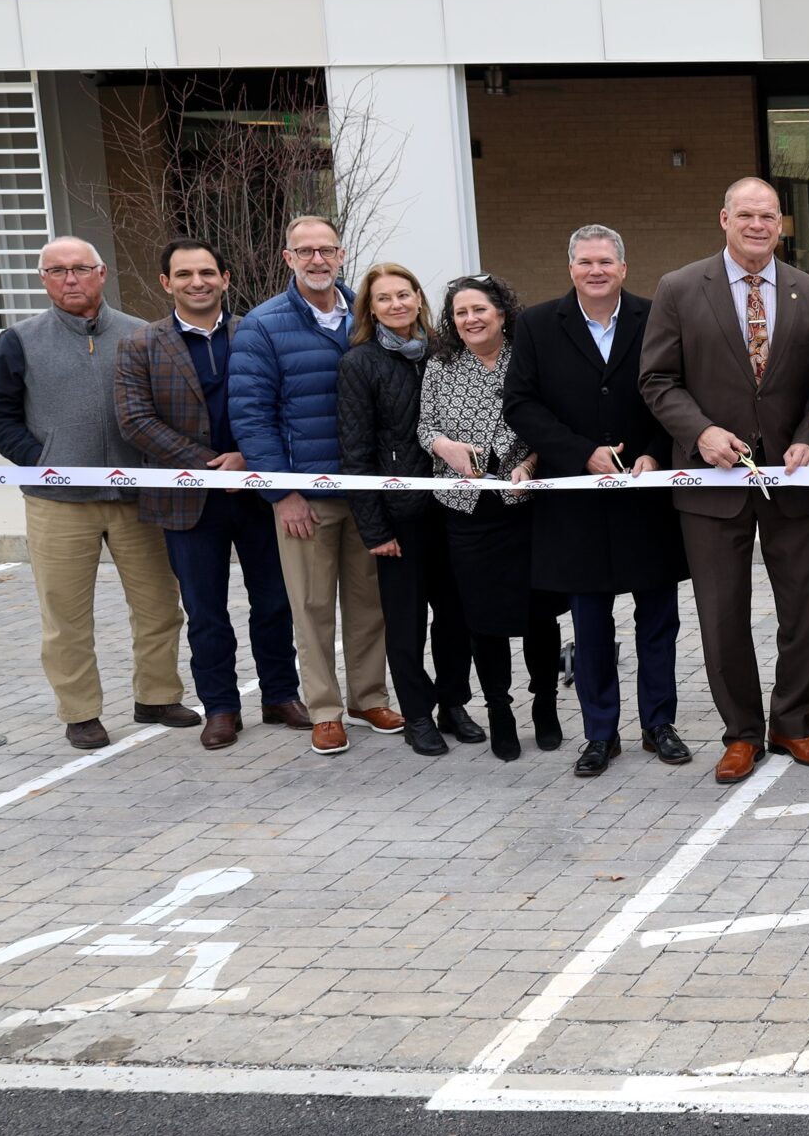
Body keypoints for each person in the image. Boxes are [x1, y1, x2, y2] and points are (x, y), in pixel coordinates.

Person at [639, 177, 809, 785]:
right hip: (711, 481)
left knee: (803, 610)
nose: (758, 225)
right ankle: (742, 732)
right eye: (747, 215)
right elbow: (657, 380)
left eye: (769, 216)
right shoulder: (678, 289)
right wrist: (699, 433)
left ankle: (794, 724)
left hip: (794, 478)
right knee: (722, 613)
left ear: (782, 224)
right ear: (722, 218)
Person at [0, 235, 194, 748]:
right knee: (66, 616)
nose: (69, 279)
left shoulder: (144, 334)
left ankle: (158, 696)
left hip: (137, 499)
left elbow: (168, 409)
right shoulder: (20, 340)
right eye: (57, 271)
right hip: (59, 504)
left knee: (160, 606)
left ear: (101, 274)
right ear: (43, 280)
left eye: (80, 268)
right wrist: (43, 463)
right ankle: (80, 712)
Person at [505, 225, 692, 778]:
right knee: (590, 627)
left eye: (605, 261)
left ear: (623, 268)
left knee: (658, 621)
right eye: (585, 261)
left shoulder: (656, 315)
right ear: (570, 269)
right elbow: (521, 404)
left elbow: (677, 392)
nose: (595, 270)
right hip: (577, 504)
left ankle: (659, 724)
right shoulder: (536, 325)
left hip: (646, 500)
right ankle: (600, 733)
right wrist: (579, 452)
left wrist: (657, 454)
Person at [113, 237, 304, 750]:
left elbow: (283, 405)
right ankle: (220, 707)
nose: (196, 282)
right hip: (187, 498)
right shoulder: (141, 343)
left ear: (225, 278)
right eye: (183, 275)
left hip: (258, 493)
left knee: (273, 601)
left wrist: (247, 457)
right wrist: (205, 465)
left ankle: (280, 694)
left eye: (206, 273)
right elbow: (135, 420)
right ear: (166, 283)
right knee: (205, 610)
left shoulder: (255, 333)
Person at [230, 214, 401, 755]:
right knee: (311, 606)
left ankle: (368, 696)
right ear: (288, 259)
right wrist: (282, 493)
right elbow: (252, 417)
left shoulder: (367, 314)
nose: (317, 260)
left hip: (368, 490)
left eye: (326, 249)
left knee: (368, 602)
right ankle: (325, 709)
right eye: (305, 251)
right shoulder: (263, 324)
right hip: (307, 497)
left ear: (342, 253)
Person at [337, 263, 484, 758]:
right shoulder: (360, 363)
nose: (397, 304)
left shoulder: (448, 353)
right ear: (371, 309)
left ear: (419, 298)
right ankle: (417, 715)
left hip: (454, 508)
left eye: (405, 294)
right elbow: (355, 453)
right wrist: (374, 528)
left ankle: (453, 705)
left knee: (455, 616)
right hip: (400, 517)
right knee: (405, 624)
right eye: (384, 299)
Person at [421, 273, 567, 762]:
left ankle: (545, 706)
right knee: (484, 620)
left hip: (524, 510)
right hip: (466, 514)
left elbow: (550, 424)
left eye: (479, 309)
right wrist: (445, 446)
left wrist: (530, 464)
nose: (470, 319)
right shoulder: (441, 364)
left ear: (501, 313)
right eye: (461, 312)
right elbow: (425, 427)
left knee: (539, 615)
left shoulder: (529, 358)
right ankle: (499, 712)